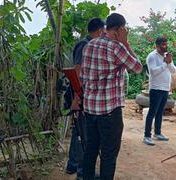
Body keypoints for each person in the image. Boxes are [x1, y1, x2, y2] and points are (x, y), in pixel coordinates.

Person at [80, 13, 142, 180]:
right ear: (120, 29)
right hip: (109, 113)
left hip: (90, 109)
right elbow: (137, 67)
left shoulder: (89, 45)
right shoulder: (116, 47)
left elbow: (83, 77)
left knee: (91, 150)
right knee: (108, 154)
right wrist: (125, 42)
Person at [65, 18, 105, 179]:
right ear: (100, 30)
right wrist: (77, 98)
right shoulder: (85, 45)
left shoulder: (87, 44)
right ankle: (82, 172)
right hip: (79, 94)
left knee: (78, 131)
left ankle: (72, 165)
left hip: (80, 94)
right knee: (84, 134)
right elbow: (77, 72)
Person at [143, 37, 176, 146]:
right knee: (152, 112)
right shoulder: (152, 56)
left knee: (160, 112)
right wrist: (165, 64)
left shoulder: (167, 56)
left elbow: (174, 71)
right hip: (156, 88)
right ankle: (147, 136)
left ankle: (157, 133)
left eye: (166, 44)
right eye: (163, 45)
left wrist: (169, 62)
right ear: (157, 46)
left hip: (165, 88)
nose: (165, 46)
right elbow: (153, 72)